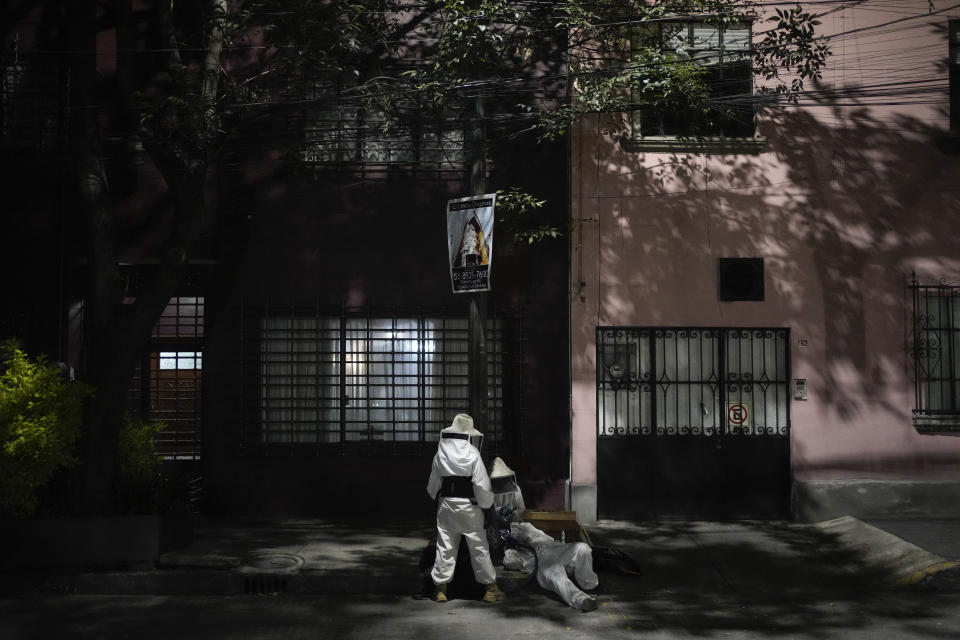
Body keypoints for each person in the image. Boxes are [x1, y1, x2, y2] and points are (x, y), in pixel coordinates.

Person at [491, 457, 599, 612]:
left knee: (583, 549)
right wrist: (509, 541)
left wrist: (515, 519)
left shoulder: (524, 521)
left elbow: (522, 512)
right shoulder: (508, 545)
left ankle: (589, 585)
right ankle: (581, 600)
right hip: (539, 560)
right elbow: (509, 561)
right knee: (556, 575)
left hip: (554, 547)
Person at [426, 414, 506, 604]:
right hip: (470, 508)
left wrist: (436, 497)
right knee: (479, 547)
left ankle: (441, 590)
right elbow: (481, 486)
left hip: (446, 506)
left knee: (445, 547)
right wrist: (487, 505)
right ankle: (490, 589)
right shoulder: (472, 453)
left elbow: (432, 487)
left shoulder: (440, 453)